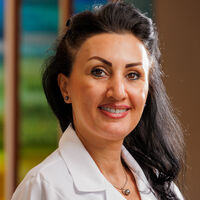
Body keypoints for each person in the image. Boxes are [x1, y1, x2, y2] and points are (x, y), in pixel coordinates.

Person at [11, 1, 185, 200]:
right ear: (65, 87)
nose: (118, 92)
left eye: (133, 74)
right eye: (99, 72)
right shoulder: (44, 187)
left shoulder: (160, 184)